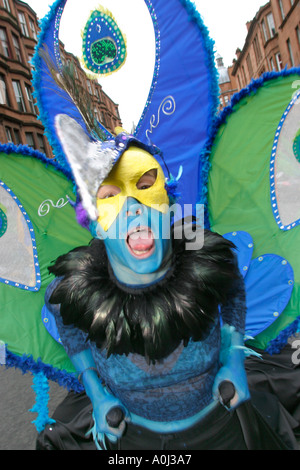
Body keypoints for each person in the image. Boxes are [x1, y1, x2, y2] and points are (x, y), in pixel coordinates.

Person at [36, 115, 294, 451]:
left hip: (221, 424)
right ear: (95, 224)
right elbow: (68, 327)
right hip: (132, 438)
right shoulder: (73, 290)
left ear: (168, 205)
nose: (134, 208)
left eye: (145, 186)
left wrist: (232, 360)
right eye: (111, 195)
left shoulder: (208, 260)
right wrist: (97, 395)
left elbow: (233, 293)